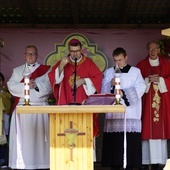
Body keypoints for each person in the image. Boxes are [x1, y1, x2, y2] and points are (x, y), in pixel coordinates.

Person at [48, 38, 103, 159]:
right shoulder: (63, 62)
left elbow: (98, 78)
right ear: (69, 50)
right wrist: (61, 67)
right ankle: (66, 160)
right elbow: (54, 79)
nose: (75, 54)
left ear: (81, 49)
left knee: (83, 135)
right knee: (66, 136)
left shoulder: (88, 63)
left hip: (84, 106)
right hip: (66, 105)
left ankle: (85, 160)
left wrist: (84, 81)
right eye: (72, 51)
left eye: (77, 51)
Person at [7, 45, 52, 169]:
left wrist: (36, 85)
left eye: (33, 54)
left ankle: (42, 164)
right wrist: (26, 85)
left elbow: (49, 86)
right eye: (28, 54)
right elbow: (11, 86)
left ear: (37, 55)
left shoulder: (46, 70)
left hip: (40, 108)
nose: (31, 56)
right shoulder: (17, 70)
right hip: (23, 109)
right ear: (24, 55)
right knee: (24, 139)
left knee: (39, 138)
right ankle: (22, 164)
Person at [101, 47, 146, 170]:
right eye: (115, 60)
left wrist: (123, 94)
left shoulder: (135, 72)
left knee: (130, 146)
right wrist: (110, 85)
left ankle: (130, 167)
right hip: (114, 115)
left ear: (126, 58)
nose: (117, 63)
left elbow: (141, 87)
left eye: (120, 60)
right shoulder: (109, 72)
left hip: (130, 113)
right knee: (114, 145)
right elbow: (102, 91)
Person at [136, 41, 170, 170]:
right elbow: (137, 82)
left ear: (159, 49)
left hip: (162, 105)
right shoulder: (141, 65)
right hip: (147, 105)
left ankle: (160, 162)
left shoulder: (166, 64)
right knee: (147, 130)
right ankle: (146, 161)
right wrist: (147, 80)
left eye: (155, 49)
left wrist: (161, 80)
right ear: (147, 50)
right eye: (150, 49)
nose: (153, 51)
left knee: (160, 131)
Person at [0, 72, 11, 168]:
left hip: (2, 120)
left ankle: (3, 162)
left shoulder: (6, 94)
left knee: (3, 142)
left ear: (3, 82)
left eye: (0, 80)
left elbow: (7, 108)